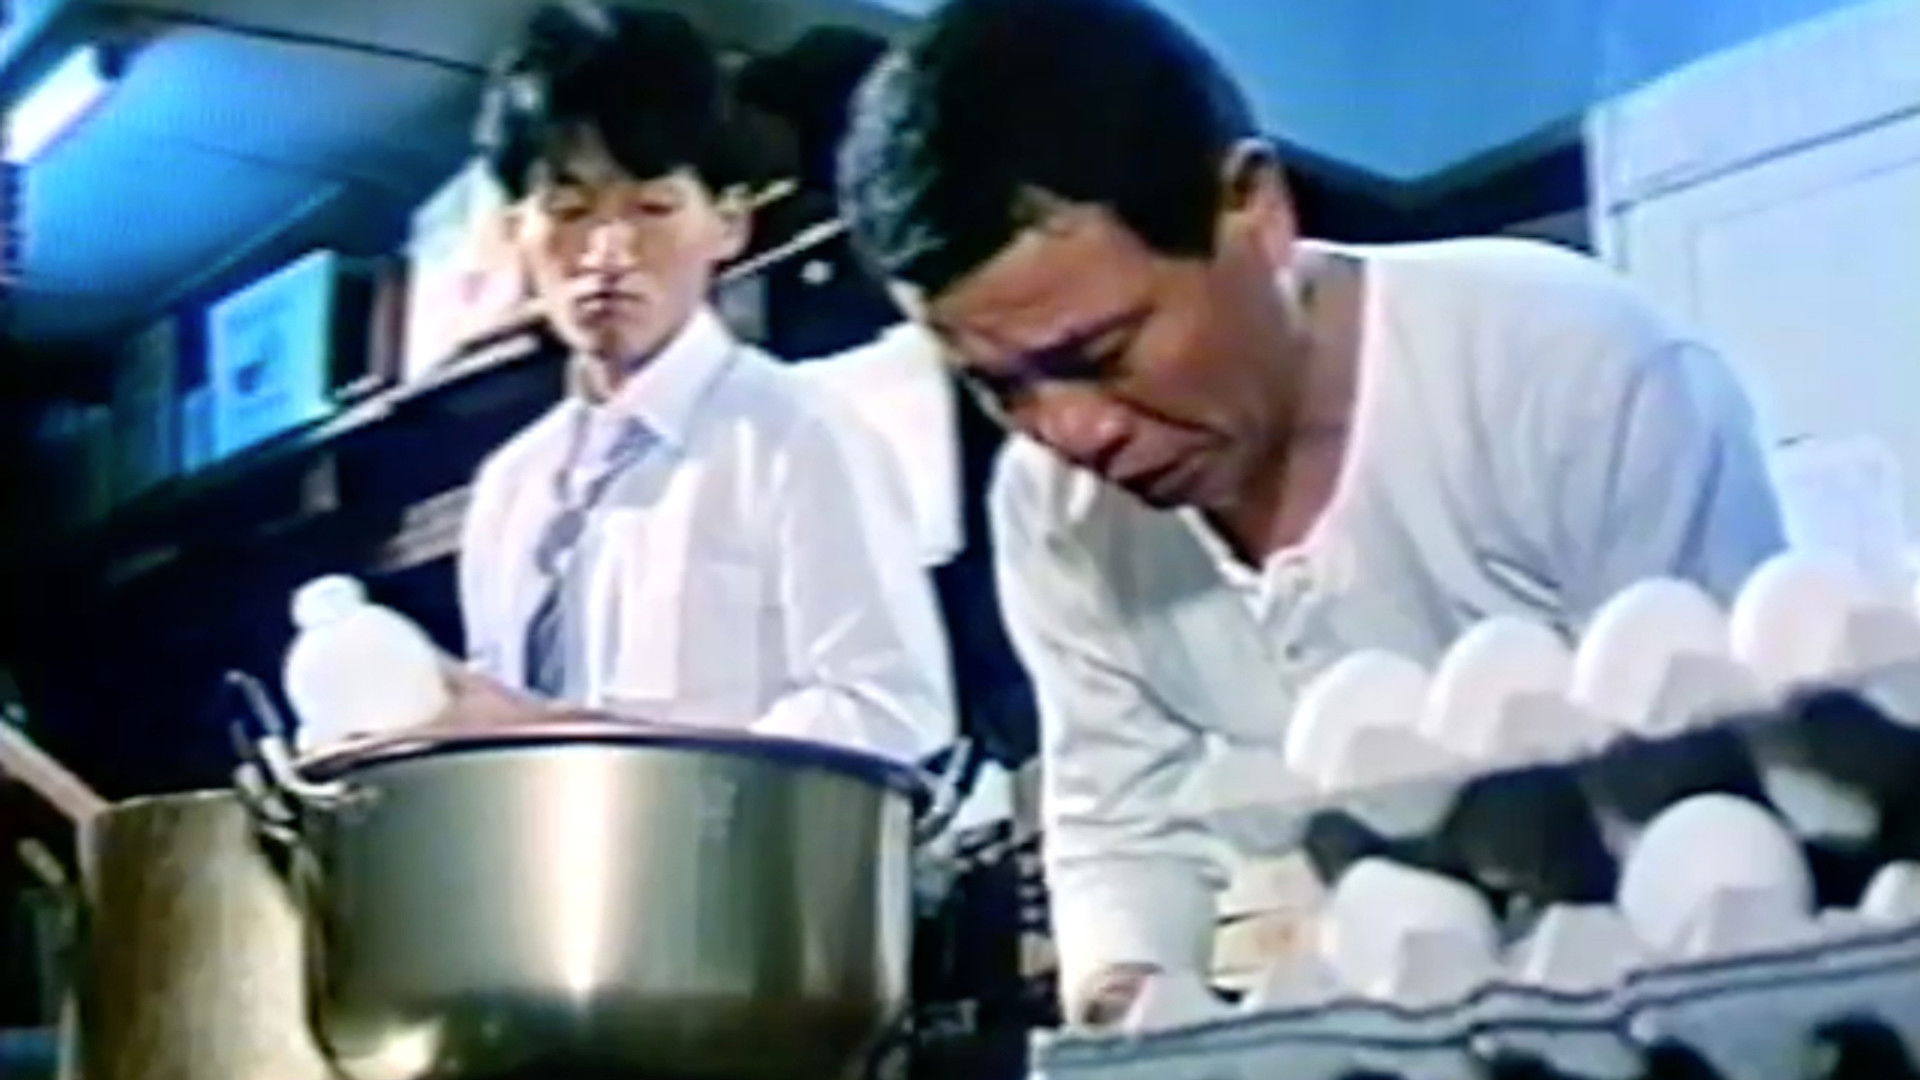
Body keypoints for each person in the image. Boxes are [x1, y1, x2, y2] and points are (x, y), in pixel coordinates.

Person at [837, 0, 1786, 1023]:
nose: (1070, 432)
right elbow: (1121, 821)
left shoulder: (1563, 366)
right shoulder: (1051, 510)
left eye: (1100, 354)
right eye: (999, 388)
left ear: (1254, 208)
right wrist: (1132, 1012)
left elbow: (1725, 806)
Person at [454, 2, 955, 765]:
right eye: (570, 209)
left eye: (652, 206)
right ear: (516, 229)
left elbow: (890, 707)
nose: (608, 250)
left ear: (729, 223)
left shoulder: (800, 435)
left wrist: (645, 768)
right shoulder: (510, 486)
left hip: (733, 842)